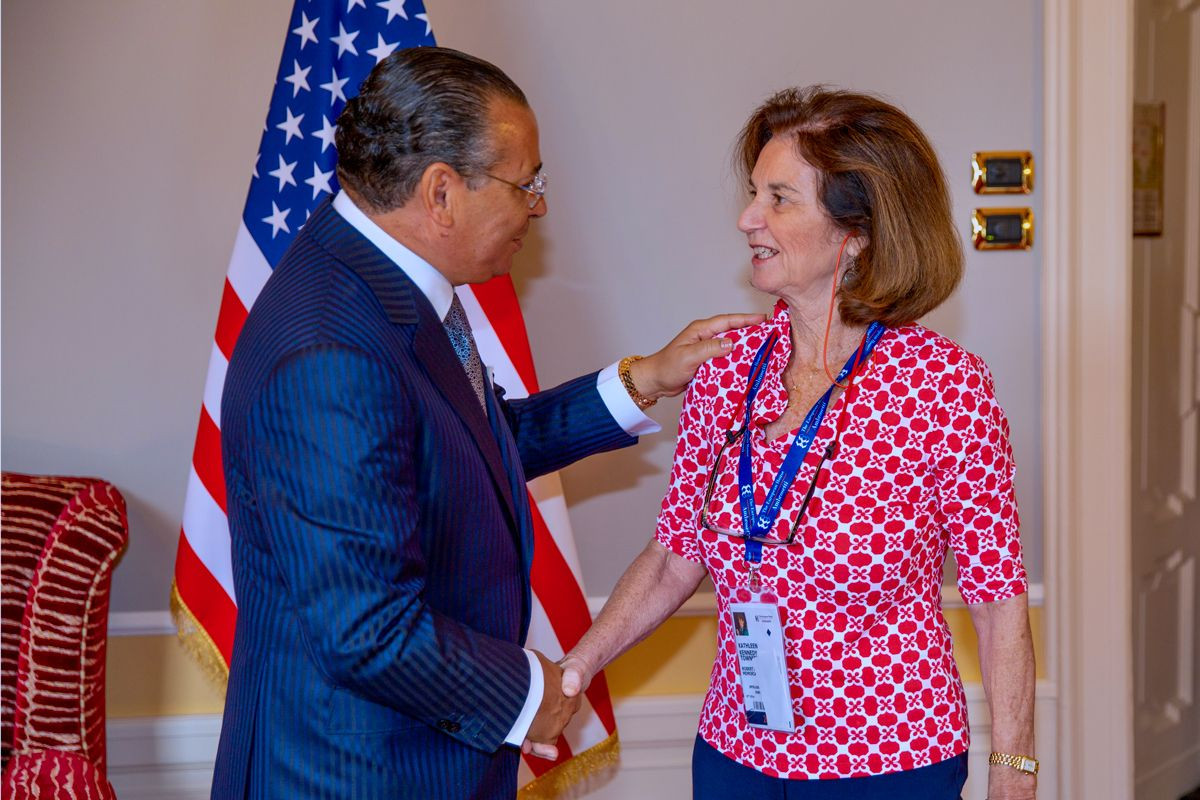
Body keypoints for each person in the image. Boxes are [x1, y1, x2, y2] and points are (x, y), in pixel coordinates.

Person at [209, 47, 760, 800]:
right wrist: (530, 694)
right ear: (441, 192)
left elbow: (464, 447)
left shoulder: (377, 275)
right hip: (355, 776)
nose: (539, 207)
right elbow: (364, 628)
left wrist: (644, 380)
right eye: (526, 184)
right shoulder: (331, 349)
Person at [561, 86, 1038, 800]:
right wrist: (575, 669)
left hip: (890, 760)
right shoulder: (725, 368)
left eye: (779, 198)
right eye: (753, 193)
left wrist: (1014, 771)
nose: (747, 218)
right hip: (735, 753)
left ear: (859, 231)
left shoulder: (945, 386)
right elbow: (671, 557)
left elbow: (997, 600)